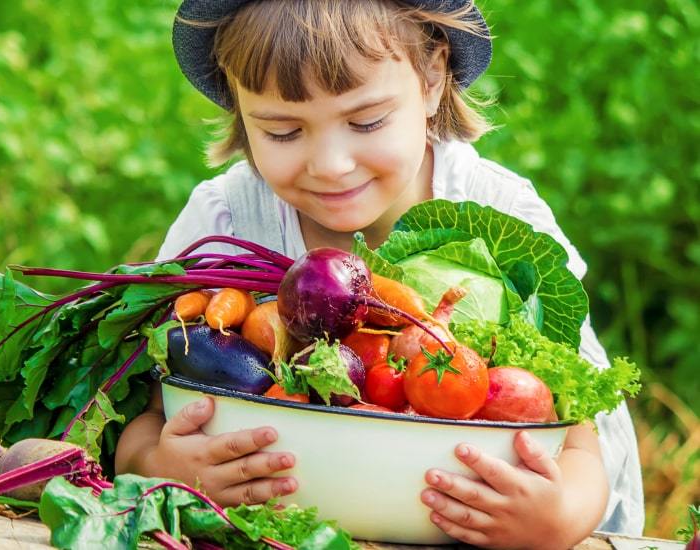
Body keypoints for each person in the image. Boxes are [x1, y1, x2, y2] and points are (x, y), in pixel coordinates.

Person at [115, 0, 644, 547]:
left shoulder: (498, 212)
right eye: (281, 132)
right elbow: (144, 420)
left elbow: (586, 442)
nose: (331, 164)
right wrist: (159, 465)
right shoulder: (224, 224)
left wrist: (558, 519)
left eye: (366, 121)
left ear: (433, 78)